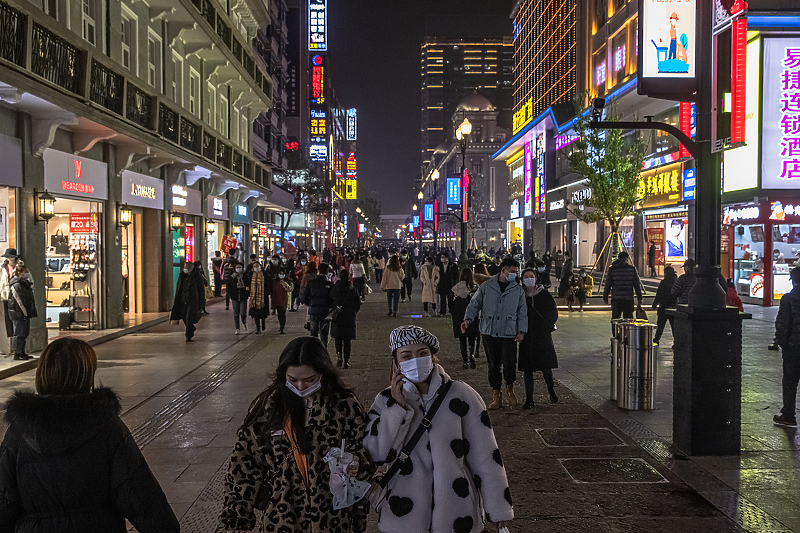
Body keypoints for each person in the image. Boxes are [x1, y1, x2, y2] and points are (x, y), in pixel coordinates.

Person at [0, 338, 179, 532]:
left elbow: (4, 498)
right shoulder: (107, 427)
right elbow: (139, 494)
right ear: (86, 375)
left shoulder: (18, 433)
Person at [363, 326, 514, 533]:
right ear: (395, 362)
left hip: (457, 513)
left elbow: (486, 456)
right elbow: (377, 454)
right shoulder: (385, 401)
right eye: (406, 355)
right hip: (403, 515)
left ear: (432, 356)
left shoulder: (462, 394)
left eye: (422, 353)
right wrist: (396, 409)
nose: (415, 360)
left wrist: (498, 508)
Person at [220, 337, 375, 531]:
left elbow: (367, 453)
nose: (301, 387)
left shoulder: (344, 406)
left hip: (333, 519)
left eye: (309, 379)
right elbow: (243, 469)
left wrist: (355, 462)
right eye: (292, 379)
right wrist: (236, 519)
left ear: (323, 373)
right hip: (283, 517)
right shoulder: (270, 408)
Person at [462, 257, 528, 410]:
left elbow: (522, 312)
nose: (514, 274)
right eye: (511, 271)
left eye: (516, 272)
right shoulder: (486, 286)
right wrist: (467, 319)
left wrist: (521, 331)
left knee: (510, 363)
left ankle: (510, 390)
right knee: (493, 364)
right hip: (489, 331)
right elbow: (474, 303)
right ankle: (496, 394)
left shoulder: (517, 289)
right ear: (503, 270)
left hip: (509, 332)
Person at [518, 268, 559, 409]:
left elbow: (553, 312)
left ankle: (551, 390)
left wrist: (546, 327)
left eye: (531, 276)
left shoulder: (544, 295)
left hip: (542, 336)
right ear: (522, 279)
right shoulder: (520, 296)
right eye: (526, 276)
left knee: (545, 366)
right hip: (527, 336)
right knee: (527, 370)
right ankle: (529, 398)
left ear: (536, 278)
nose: (529, 278)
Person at [330, 269, 361, 368]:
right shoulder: (352, 289)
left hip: (337, 316)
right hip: (349, 317)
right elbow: (358, 303)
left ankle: (339, 358)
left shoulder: (335, 288)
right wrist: (353, 312)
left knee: (338, 338)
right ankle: (346, 361)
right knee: (347, 340)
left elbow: (330, 300)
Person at [299, 262, 334, 347]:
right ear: (327, 272)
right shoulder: (329, 284)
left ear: (318, 270)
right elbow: (333, 298)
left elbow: (304, 296)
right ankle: (323, 352)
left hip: (313, 311)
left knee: (313, 333)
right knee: (324, 334)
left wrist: (309, 303)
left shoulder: (311, 283)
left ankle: (314, 351)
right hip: (325, 312)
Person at [452, 268, 480, 369]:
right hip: (472, 314)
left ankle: (465, 361)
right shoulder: (475, 287)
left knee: (462, 338)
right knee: (472, 337)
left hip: (459, 314)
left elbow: (452, 303)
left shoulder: (457, 288)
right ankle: (471, 354)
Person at [170, 261, 205, 341]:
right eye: (185, 267)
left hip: (192, 300)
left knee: (189, 317)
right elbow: (179, 287)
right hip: (183, 299)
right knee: (184, 317)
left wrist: (201, 303)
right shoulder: (182, 276)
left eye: (187, 268)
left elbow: (201, 290)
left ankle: (188, 335)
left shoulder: (197, 277)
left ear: (192, 268)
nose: (186, 269)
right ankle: (191, 328)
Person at [603, 251, 643, 321]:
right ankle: (627, 332)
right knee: (628, 319)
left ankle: (615, 331)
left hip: (616, 298)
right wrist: (639, 298)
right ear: (627, 259)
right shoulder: (632, 269)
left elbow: (608, 284)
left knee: (615, 319)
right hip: (628, 299)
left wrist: (605, 296)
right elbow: (637, 285)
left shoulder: (612, 269)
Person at [7, 263, 36, 360]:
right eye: (24, 272)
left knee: (24, 333)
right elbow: (18, 301)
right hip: (18, 314)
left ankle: (22, 352)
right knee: (19, 333)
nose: (26, 274)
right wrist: (23, 313)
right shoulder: (16, 285)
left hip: (24, 313)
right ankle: (18, 353)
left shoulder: (24, 284)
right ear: (19, 273)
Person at [651, 266, 678, 346]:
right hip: (673, 307)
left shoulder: (664, 282)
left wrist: (655, 303)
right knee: (674, 326)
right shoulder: (676, 281)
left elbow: (659, 294)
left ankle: (656, 340)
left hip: (663, 306)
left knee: (660, 325)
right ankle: (676, 341)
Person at [0, 248, 20, 357]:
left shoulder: (19, 266)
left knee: (16, 321)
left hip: (16, 296)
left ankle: (16, 348)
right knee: (8, 322)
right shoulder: (3, 267)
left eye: (10, 256)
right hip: (5, 296)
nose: (9, 258)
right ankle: (9, 347)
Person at [227, 261, 251, 334]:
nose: (238, 269)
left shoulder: (246, 276)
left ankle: (244, 322)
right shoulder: (232, 277)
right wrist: (230, 294)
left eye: (240, 267)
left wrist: (247, 291)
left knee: (243, 312)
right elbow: (229, 287)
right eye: (237, 267)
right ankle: (237, 328)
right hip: (235, 297)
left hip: (243, 296)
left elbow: (248, 284)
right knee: (236, 313)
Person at [248, 259, 271, 334]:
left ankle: (263, 323)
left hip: (263, 297)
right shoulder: (250, 275)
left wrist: (266, 292)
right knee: (255, 314)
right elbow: (247, 283)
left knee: (263, 313)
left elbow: (269, 285)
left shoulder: (265, 274)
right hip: (254, 298)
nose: (256, 268)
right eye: (254, 266)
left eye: (257, 266)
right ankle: (258, 328)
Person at [436, 252, 459, 316]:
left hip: (450, 285)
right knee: (442, 299)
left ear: (448, 258)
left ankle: (451, 310)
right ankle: (442, 311)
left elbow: (456, 275)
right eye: (442, 257)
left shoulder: (453, 265)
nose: (443, 259)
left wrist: (454, 282)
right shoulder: (439, 266)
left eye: (444, 257)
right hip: (442, 284)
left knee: (450, 299)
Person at [272, 268, 293, 334]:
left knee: (283, 314)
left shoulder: (288, 281)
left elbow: (290, 289)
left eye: (282, 274)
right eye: (280, 274)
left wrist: (285, 284)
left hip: (284, 300)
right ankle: (281, 325)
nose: (281, 275)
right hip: (277, 299)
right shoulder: (275, 281)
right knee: (279, 314)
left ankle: (282, 327)